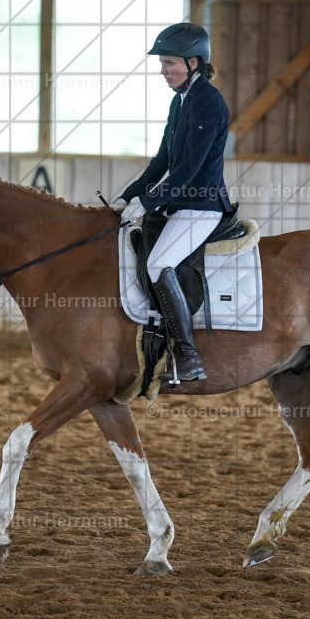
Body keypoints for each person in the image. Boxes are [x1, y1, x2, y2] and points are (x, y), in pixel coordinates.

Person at [111, 22, 234, 383]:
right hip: (180, 204)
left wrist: (148, 202)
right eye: (162, 64)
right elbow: (162, 161)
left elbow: (187, 169)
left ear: (193, 63)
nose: (163, 71)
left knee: (158, 263)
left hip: (202, 205)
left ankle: (188, 356)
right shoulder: (180, 101)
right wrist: (128, 196)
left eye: (169, 63)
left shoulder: (208, 102)